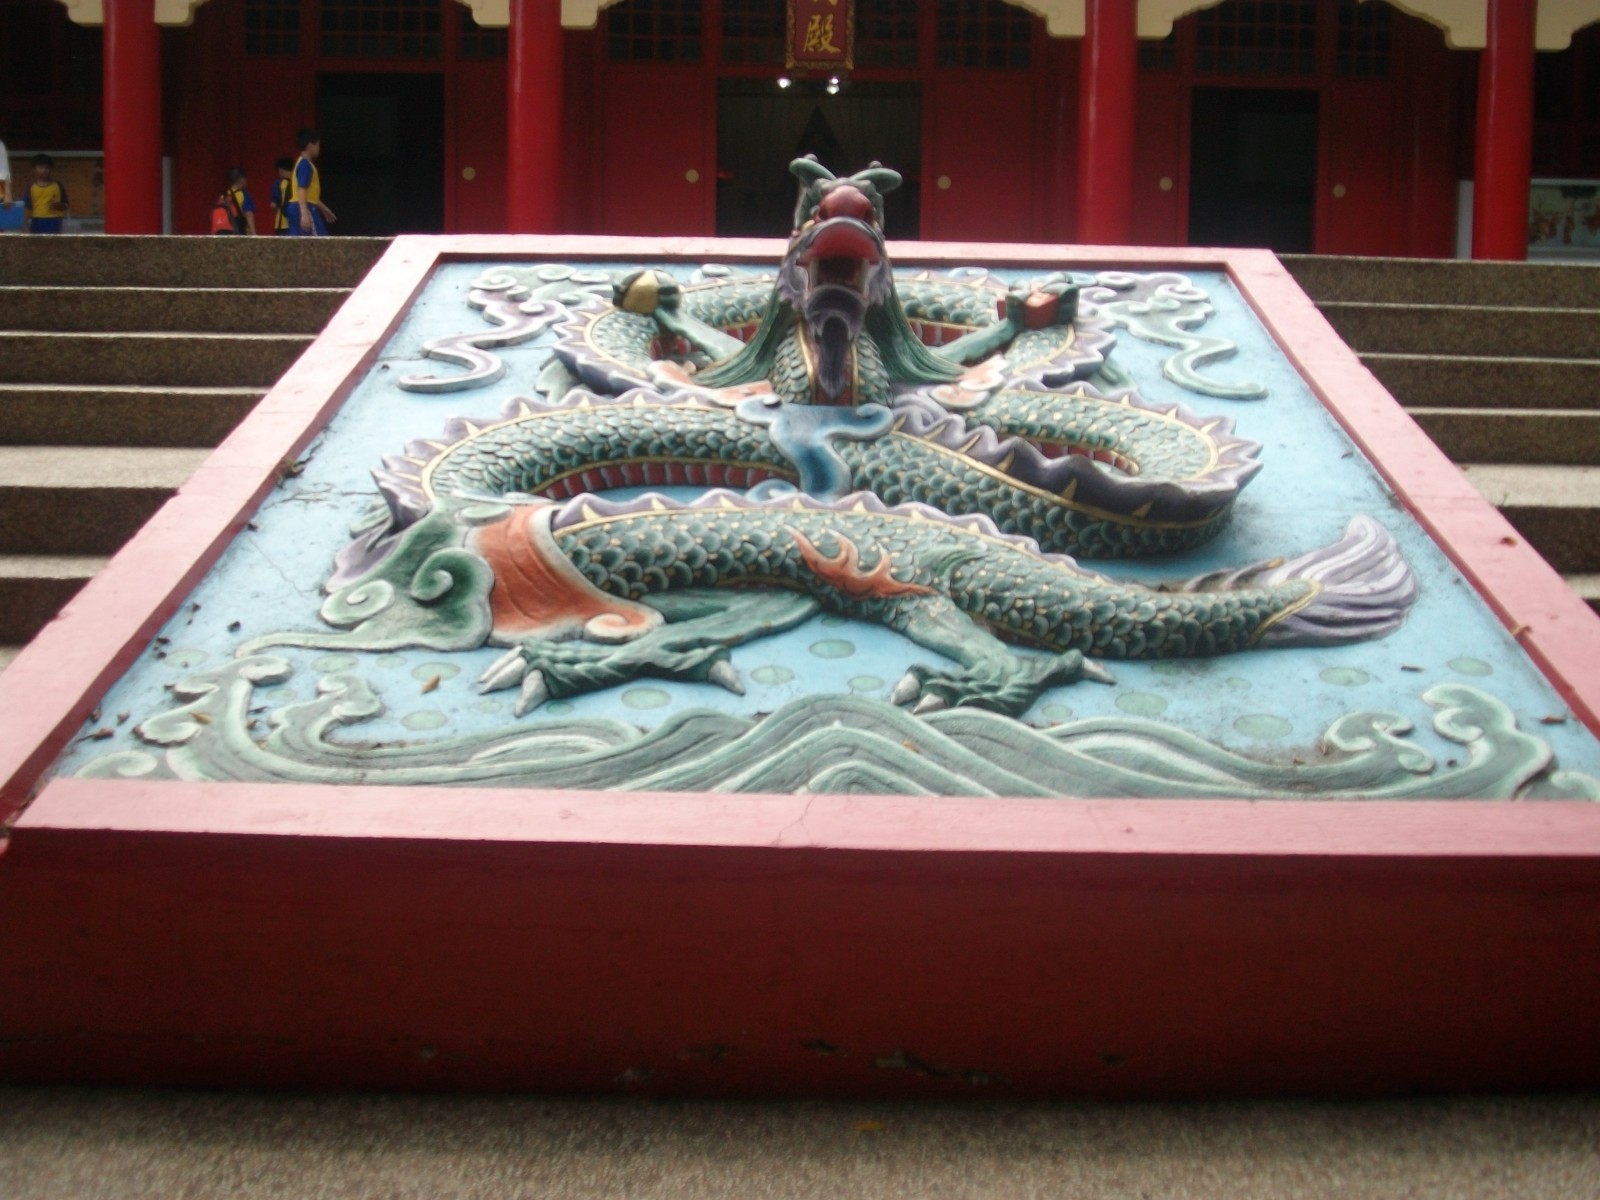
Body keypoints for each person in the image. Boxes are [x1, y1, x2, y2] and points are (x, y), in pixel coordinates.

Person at [284, 128, 336, 237]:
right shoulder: (305, 165)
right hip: (304, 207)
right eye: (317, 145)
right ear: (310, 145)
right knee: (320, 242)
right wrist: (304, 214)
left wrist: (323, 208)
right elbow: (302, 189)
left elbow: (310, 194)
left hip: (297, 207)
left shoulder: (301, 163)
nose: (318, 148)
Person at [24, 153, 68, 234]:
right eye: (41, 167)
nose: (44, 170)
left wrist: (58, 205)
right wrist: (25, 226)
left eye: (47, 167)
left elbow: (66, 205)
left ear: (51, 169)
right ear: (34, 169)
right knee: (36, 241)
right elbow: (27, 207)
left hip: (54, 220)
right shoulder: (30, 187)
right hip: (36, 220)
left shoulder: (58, 186)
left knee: (54, 241)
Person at [212, 166, 258, 235]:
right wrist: (254, 234)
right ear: (241, 179)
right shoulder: (244, 194)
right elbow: (249, 214)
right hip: (238, 232)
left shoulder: (223, 195)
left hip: (222, 233)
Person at [270, 156, 294, 234]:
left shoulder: (278, 183)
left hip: (282, 223)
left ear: (280, 170)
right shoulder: (298, 183)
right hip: (297, 221)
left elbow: (273, 205)